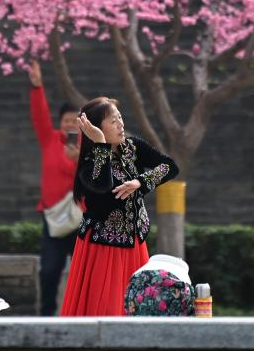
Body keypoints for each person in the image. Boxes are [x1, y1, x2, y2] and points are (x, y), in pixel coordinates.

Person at [60, 97, 179, 317]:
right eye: (113, 121)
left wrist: (141, 182)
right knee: (106, 308)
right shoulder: (89, 164)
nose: (121, 124)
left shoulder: (133, 148)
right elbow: (102, 186)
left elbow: (170, 167)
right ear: (97, 129)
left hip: (135, 244)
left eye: (120, 118)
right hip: (103, 249)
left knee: (136, 307)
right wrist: (101, 144)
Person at [27, 60, 80, 316]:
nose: (70, 124)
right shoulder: (50, 140)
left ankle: (82, 313)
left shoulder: (91, 148)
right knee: (49, 270)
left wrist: (79, 160)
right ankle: (46, 314)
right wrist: (37, 87)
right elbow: (40, 115)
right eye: (66, 120)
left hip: (81, 218)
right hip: (54, 218)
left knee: (83, 272)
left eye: (75, 121)